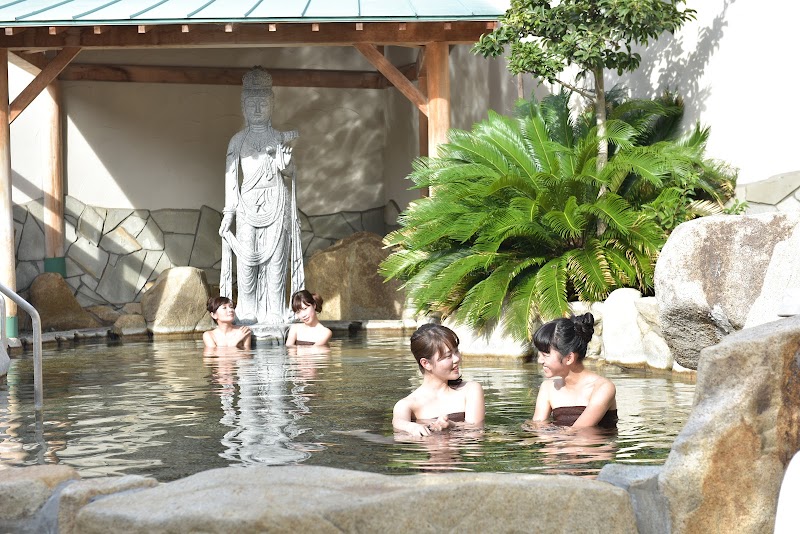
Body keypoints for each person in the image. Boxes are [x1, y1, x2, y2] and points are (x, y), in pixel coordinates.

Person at [218, 67, 304, 326]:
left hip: (276, 203)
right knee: (246, 259)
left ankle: (275, 309)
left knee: (276, 260)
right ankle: (247, 309)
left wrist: (286, 165)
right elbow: (231, 179)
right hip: (246, 206)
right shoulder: (237, 141)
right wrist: (228, 214)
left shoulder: (279, 138)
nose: (257, 109)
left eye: (263, 103)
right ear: (243, 106)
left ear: (272, 104)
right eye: (252, 104)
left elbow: (290, 172)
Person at [392, 324, 485, 437]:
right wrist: (410, 426)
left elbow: (476, 436)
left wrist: (452, 425)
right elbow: (398, 424)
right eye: (448, 356)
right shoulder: (407, 405)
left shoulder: (470, 390)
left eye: (456, 352)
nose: (457, 359)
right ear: (426, 363)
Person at [530, 313, 617, 428]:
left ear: (569, 358)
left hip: (594, 445)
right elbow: (537, 428)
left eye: (546, 355)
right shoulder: (548, 388)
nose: (540, 361)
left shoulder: (603, 387)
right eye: (539, 354)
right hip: (559, 443)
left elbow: (578, 431)